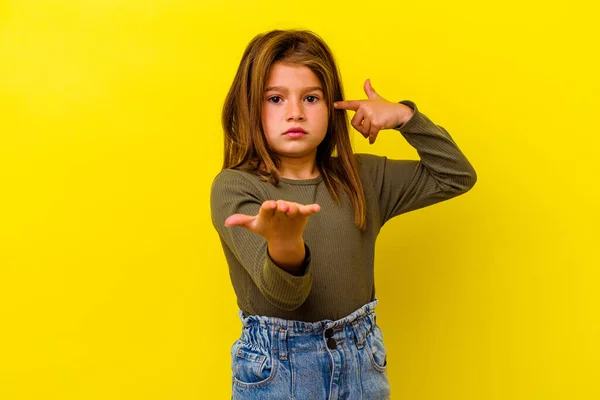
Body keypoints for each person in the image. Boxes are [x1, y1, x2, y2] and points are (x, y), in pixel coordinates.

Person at [210, 29, 477, 399]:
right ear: (249, 107)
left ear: (333, 105)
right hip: (278, 370)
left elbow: (455, 175)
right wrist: (285, 243)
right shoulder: (236, 187)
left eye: (311, 98)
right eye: (275, 98)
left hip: (360, 363)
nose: (295, 113)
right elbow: (285, 297)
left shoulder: (361, 178)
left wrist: (405, 117)